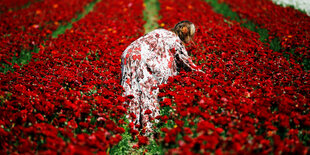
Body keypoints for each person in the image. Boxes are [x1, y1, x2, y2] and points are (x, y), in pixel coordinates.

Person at [121, 20, 202, 135]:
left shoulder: (161, 31)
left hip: (127, 54)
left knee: (131, 90)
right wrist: (203, 74)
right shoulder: (175, 41)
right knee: (148, 91)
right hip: (141, 59)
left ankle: (128, 124)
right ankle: (147, 127)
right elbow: (187, 63)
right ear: (186, 33)